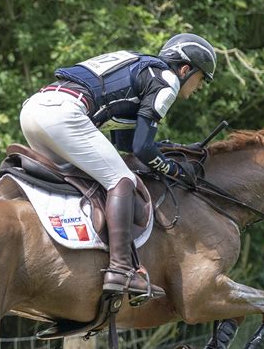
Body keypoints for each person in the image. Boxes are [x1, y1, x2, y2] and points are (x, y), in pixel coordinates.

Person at [19, 33, 217, 304]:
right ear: (185, 69)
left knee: (87, 182)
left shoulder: (142, 69)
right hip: (64, 113)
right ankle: (121, 269)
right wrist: (177, 171)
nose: (200, 87)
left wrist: (166, 149)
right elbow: (142, 150)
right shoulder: (167, 80)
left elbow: (126, 142)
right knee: (122, 180)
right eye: (201, 78)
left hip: (34, 108)